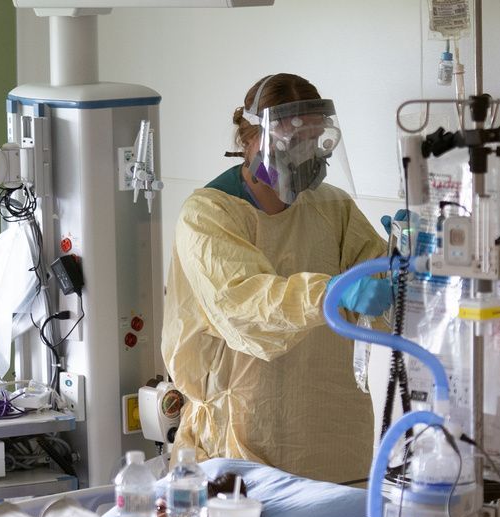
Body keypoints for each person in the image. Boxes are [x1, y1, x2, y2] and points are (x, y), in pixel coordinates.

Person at [162, 73, 391, 484]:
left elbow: (379, 284)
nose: (303, 157)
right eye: (289, 143)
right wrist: (333, 292)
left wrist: (405, 256)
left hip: (334, 438)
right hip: (248, 435)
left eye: (313, 142)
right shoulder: (209, 215)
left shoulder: (330, 205)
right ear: (248, 138)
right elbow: (246, 306)